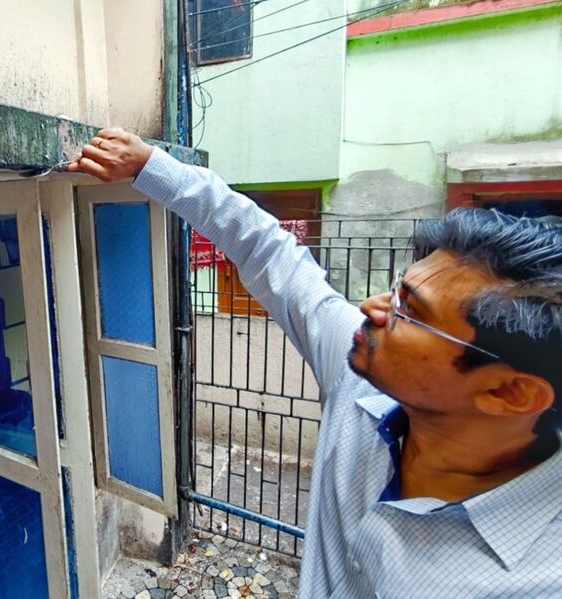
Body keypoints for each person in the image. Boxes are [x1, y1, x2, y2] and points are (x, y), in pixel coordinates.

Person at [69, 129, 562, 598]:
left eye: (410, 311)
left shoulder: (536, 578)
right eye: (397, 290)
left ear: (510, 393)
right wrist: (151, 165)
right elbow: (267, 249)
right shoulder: (360, 379)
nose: (371, 307)